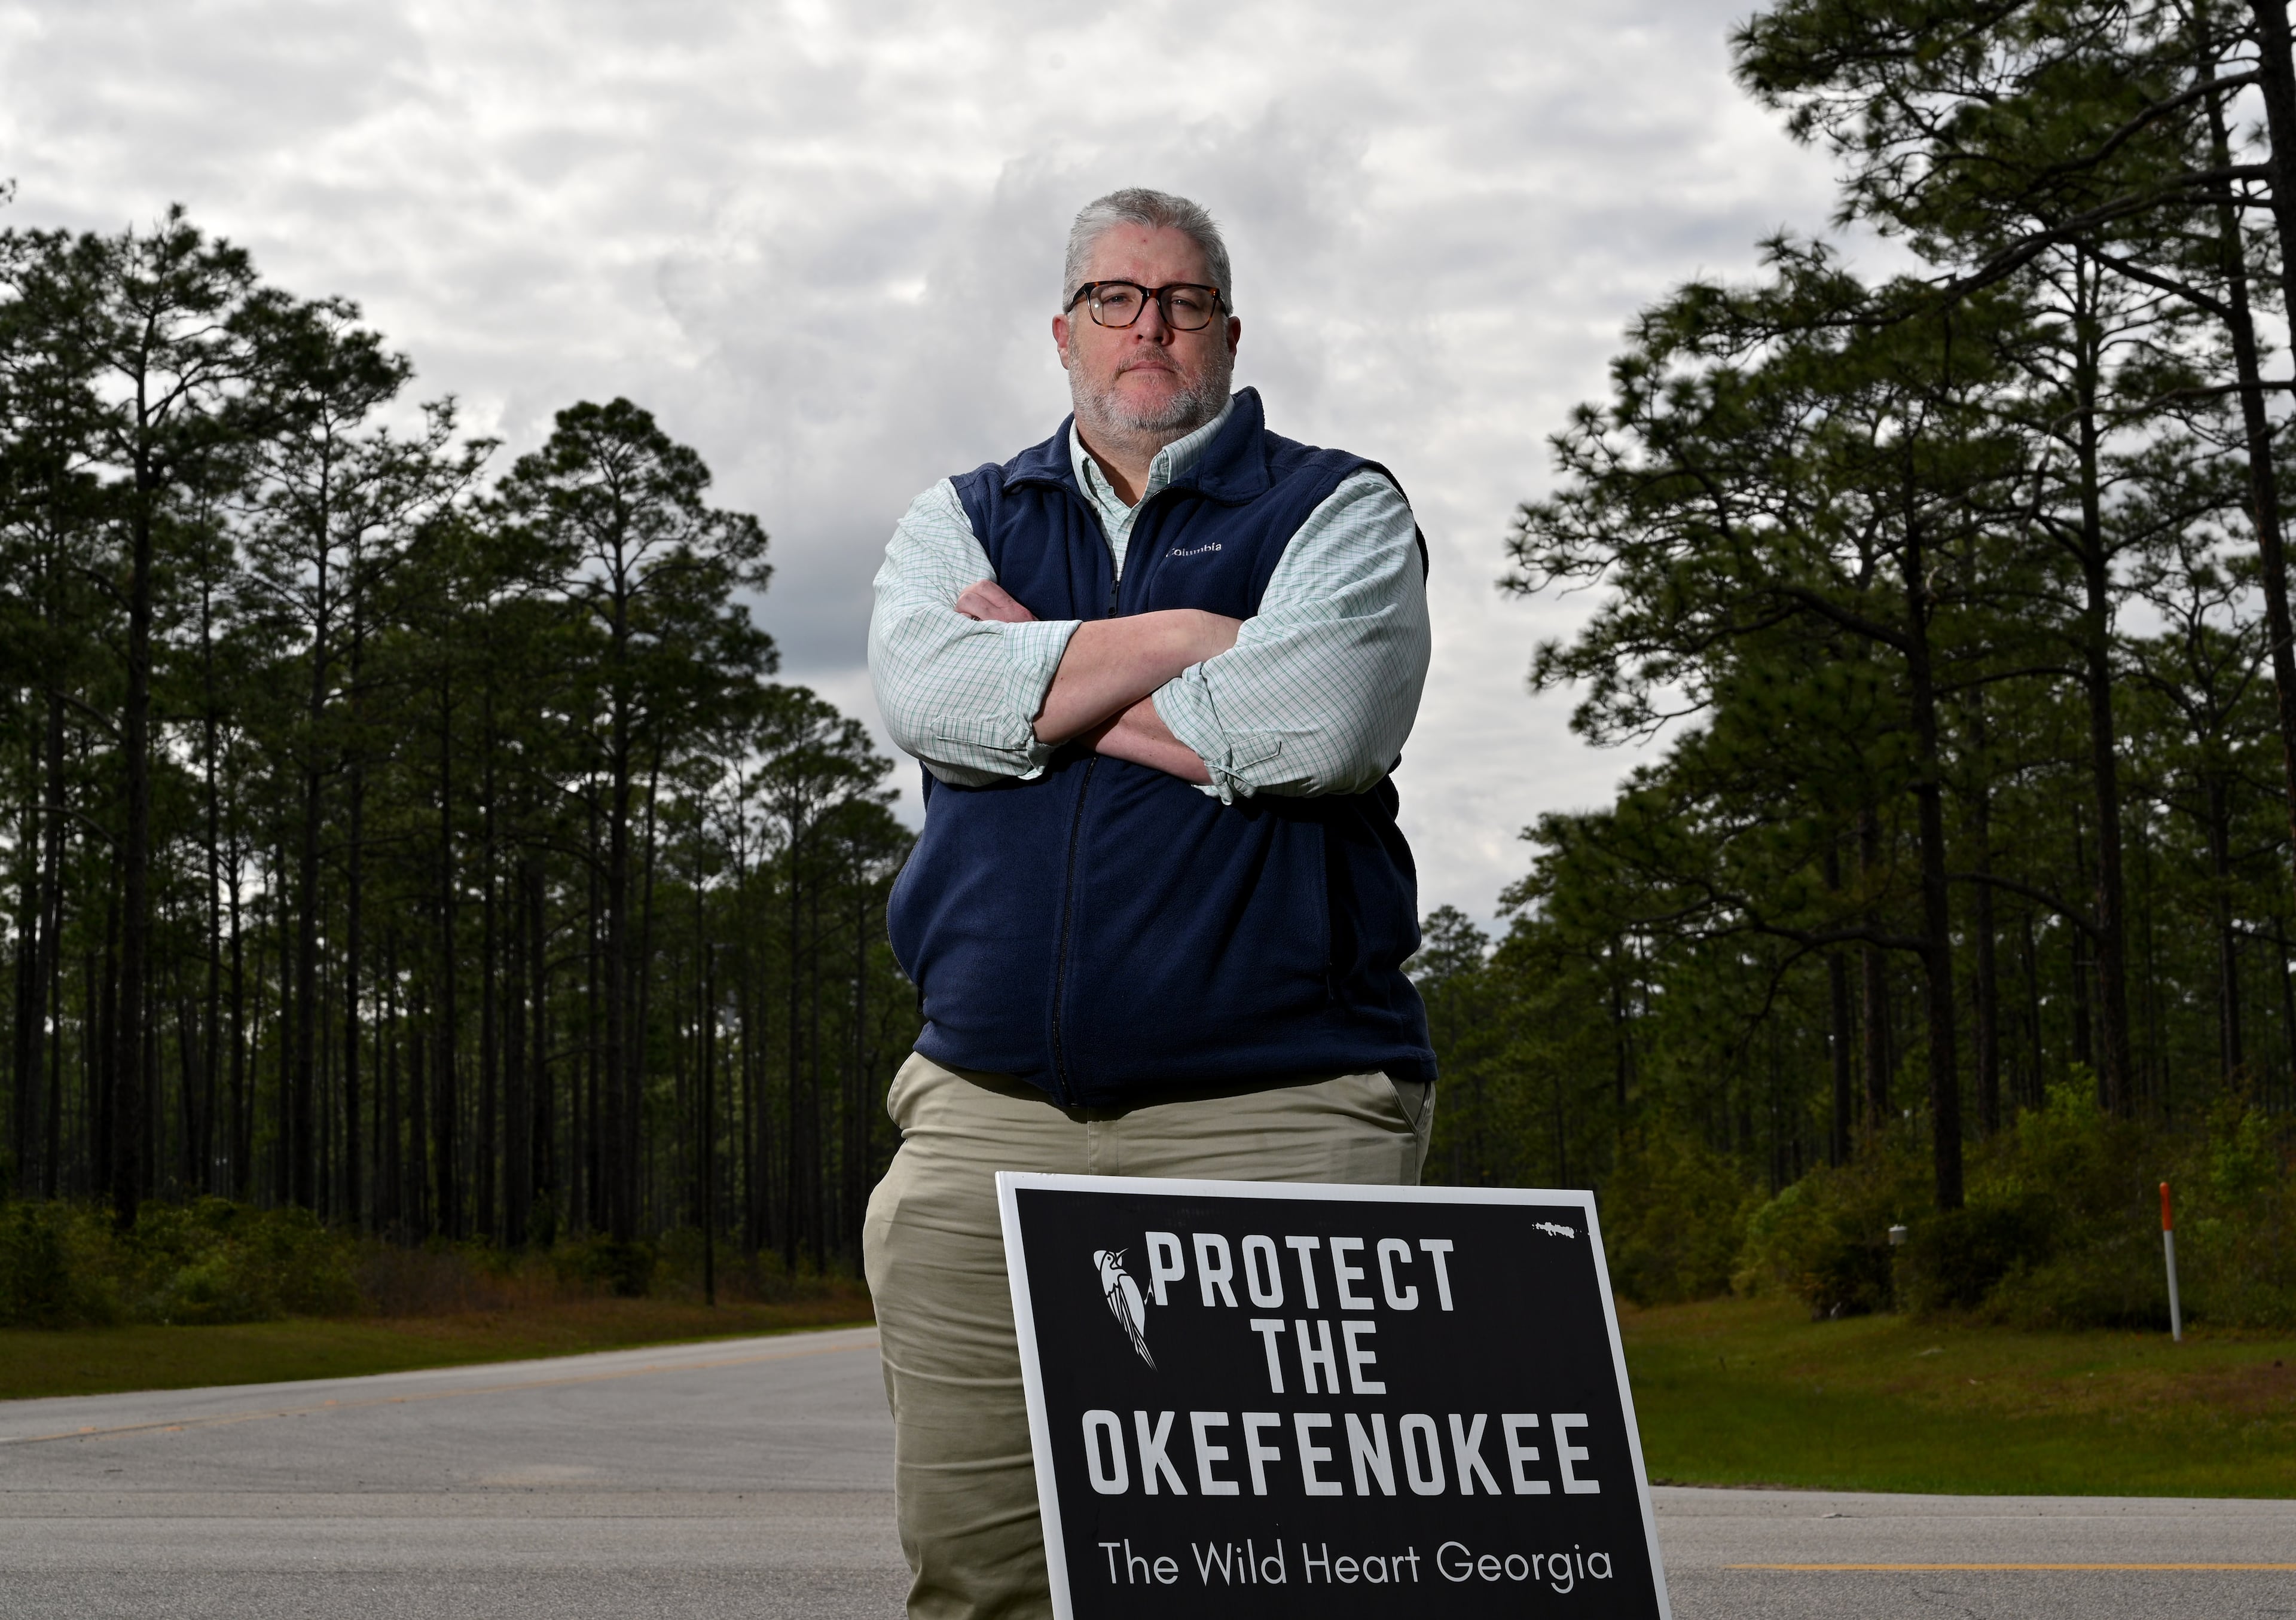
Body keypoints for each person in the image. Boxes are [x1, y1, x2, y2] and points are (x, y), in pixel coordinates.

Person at [862, 187, 1436, 1620]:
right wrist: (1192, 644)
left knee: (1280, 1581)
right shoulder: (963, 517)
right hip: (983, 1115)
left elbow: (1322, 729)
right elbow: (929, 697)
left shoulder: (1337, 507)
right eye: (1117, 298)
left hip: (1278, 1112)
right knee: (979, 1578)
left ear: (1228, 332)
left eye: (1181, 301)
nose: (1150, 326)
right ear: (1065, 332)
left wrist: (1041, 683)